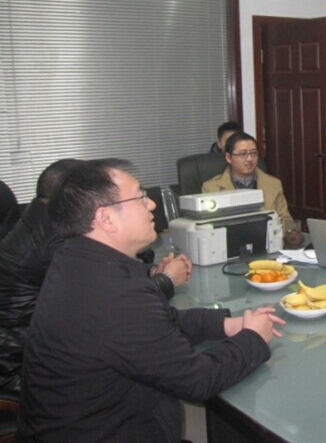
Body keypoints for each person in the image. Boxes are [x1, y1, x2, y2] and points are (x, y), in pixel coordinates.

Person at [18, 159, 284, 441]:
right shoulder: (114, 292)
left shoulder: (78, 261)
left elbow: (161, 322)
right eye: (140, 197)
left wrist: (225, 325)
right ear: (106, 218)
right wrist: (253, 339)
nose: (152, 204)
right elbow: (198, 380)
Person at [0, 159, 192, 398]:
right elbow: (113, 307)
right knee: (160, 369)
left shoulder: (38, 220)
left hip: (39, 354)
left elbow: (102, 282)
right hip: (26, 373)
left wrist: (149, 273)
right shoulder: (55, 243)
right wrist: (167, 279)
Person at [202, 131, 296, 232]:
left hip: (268, 239)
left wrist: (290, 232)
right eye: (243, 154)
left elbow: (285, 219)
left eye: (253, 153)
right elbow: (209, 227)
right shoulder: (211, 188)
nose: (250, 159)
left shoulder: (273, 184)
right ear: (228, 157)